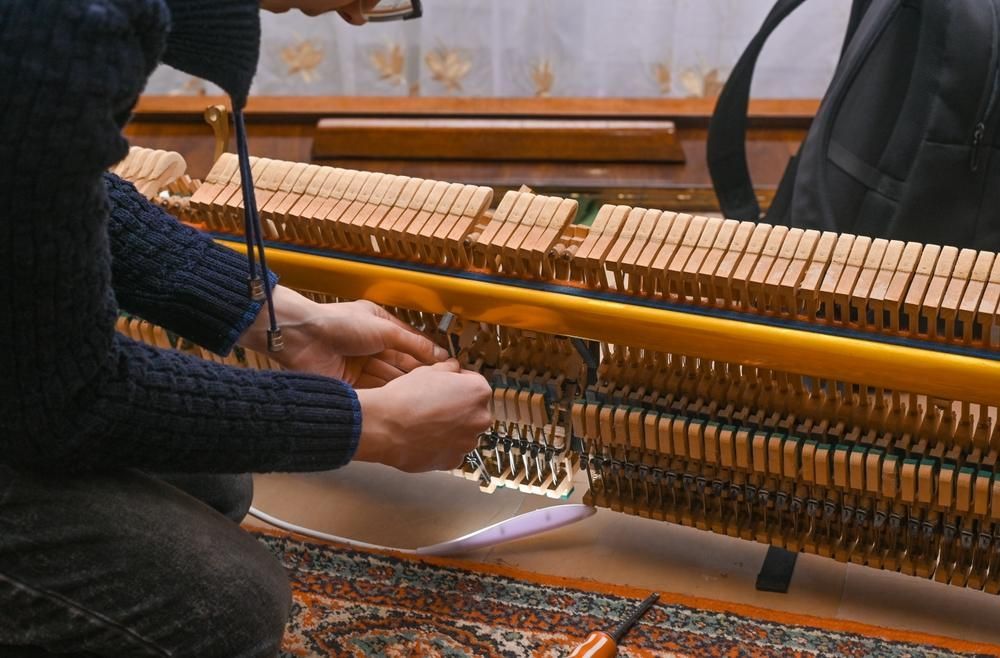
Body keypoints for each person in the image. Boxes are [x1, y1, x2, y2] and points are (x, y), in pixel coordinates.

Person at [0, 0, 492, 655]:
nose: (356, 19)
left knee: (212, 482)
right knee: (228, 606)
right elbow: (65, 400)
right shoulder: (68, 22)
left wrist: (285, 318)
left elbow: (44, 180)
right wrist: (373, 425)